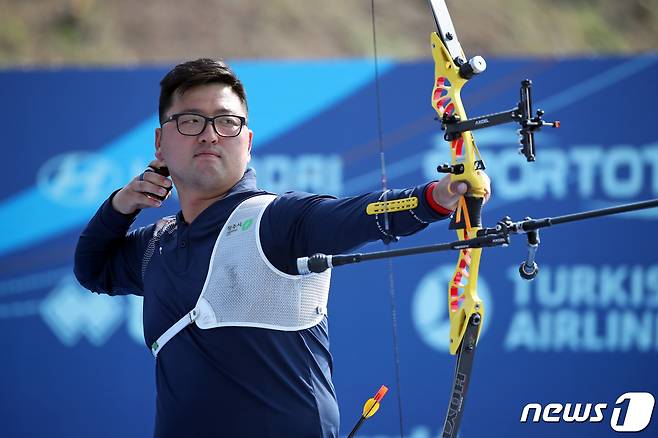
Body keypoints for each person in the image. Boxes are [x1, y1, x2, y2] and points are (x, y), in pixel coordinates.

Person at [74, 58, 490, 438]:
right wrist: (120, 206)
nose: (209, 135)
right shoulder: (156, 243)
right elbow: (93, 269)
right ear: (160, 143)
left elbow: (360, 213)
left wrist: (435, 197)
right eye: (190, 121)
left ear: (248, 141)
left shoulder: (276, 220)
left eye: (226, 122)